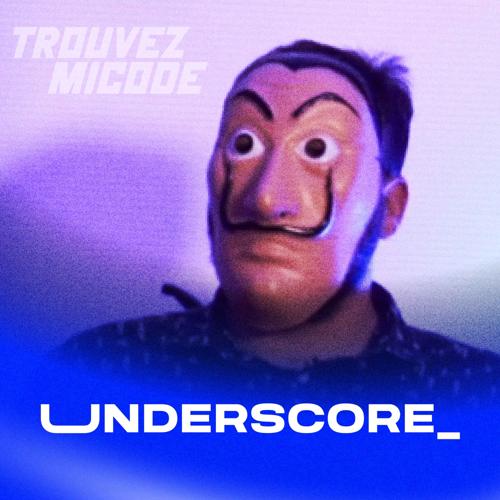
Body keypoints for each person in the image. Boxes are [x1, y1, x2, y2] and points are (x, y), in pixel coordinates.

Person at [60, 40, 499, 402]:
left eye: (317, 150)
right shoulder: (98, 373)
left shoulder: (475, 395)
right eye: (244, 145)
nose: (266, 198)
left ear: (391, 208)